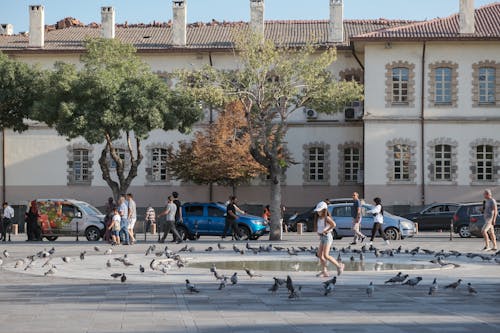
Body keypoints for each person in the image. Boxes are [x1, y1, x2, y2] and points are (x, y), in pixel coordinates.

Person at [314, 201, 344, 277]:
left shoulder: (326, 218)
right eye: (318, 211)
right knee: (320, 255)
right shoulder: (319, 218)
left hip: (327, 237)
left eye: (319, 210)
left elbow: (334, 224)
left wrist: (326, 230)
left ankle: (339, 266)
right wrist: (319, 232)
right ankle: (324, 271)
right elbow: (321, 228)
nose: (318, 212)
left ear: (324, 210)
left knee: (326, 255)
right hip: (322, 237)